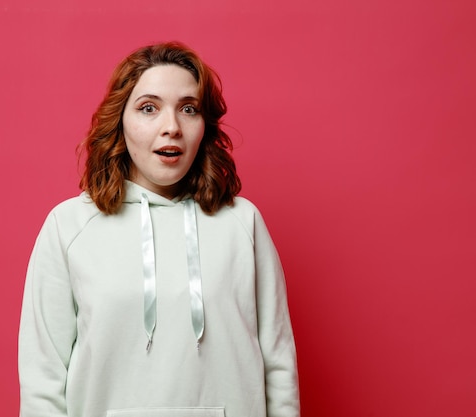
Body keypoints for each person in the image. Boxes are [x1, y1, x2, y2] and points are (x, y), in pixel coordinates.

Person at [18, 42, 300, 417]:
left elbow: (278, 366)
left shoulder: (242, 223)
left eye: (188, 109)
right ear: (119, 120)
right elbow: (43, 379)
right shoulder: (68, 227)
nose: (172, 127)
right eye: (149, 108)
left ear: (205, 125)